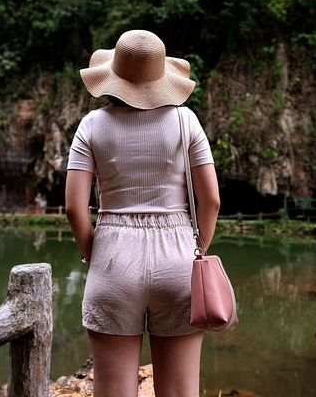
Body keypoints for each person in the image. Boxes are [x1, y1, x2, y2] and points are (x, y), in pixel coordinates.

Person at [64, 30, 221, 397]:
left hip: (114, 257)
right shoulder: (186, 122)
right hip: (179, 256)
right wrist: (196, 249)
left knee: (114, 389)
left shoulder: (91, 126)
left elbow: (74, 207)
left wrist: (93, 253)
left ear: (112, 76)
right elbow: (210, 201)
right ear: (161, 77)